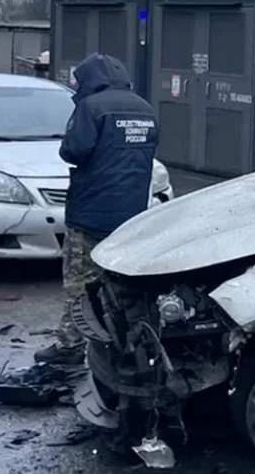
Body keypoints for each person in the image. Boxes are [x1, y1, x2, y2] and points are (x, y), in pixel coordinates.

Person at [35, 53, 159, 364]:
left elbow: (73, 151)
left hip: (91, 212)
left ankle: (70, 346)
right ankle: (122, 343)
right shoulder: (145, 109)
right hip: (130, 215)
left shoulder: (91, 108)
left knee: (79, 284)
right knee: (121, 284)